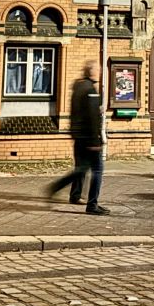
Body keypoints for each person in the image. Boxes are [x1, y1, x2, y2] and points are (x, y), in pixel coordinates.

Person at [46, 61, 109, 215]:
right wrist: (96, 141)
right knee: (98, 171)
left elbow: (75, 114)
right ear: (91, 72)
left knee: (81, 168)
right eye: (97, 70)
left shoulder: (78, 87)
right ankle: (92, 204)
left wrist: (75, 133)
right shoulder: (90, 90)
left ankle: (67, 191)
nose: (99, 73)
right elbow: (93, 117)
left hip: (79, 137)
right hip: (90, 139)